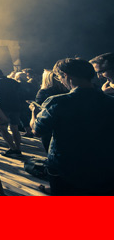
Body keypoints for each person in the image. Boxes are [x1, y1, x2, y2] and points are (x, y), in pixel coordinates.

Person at [31, 58, 114, 195]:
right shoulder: (110, 102)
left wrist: (34, 113)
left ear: (66, 75)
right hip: (105, 166)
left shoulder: (58, 102)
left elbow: (37, 131)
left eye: (59, 77)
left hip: (66, 168)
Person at [0, 68, 24, 156]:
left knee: (2, 128)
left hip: (3, 107)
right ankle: (18, 148)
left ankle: (13, 148)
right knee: (15, 128)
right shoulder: (13, 81)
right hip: (16, 106)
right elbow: (20, 93)